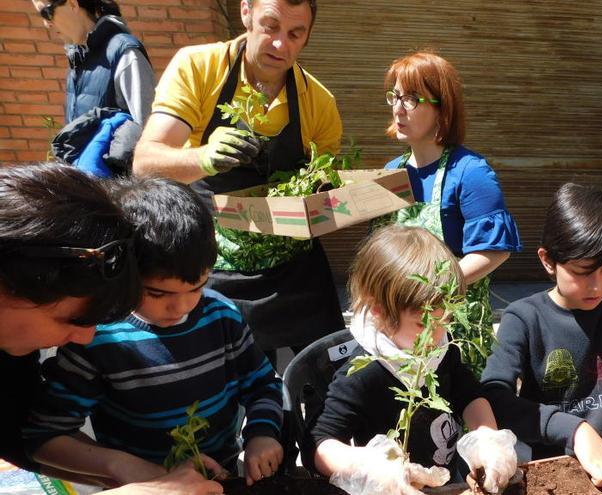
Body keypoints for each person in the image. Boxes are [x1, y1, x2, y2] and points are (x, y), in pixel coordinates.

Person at [24, 176, 283, 488]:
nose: (181, 307)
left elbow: (262, 385)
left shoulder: (222, 315)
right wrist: (131, 469)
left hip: (221, 475)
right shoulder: (95, 338)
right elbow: (46, 435)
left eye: (197, 287)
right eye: (159, 295)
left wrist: (262, 434)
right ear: (123, 274)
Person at [132, 0, 345, 364]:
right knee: (231, 383)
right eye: (270, 26)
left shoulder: (318, 102)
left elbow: (325, 182)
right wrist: (203, 157)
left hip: (296, 272)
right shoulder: (200, 68)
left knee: (331, 371)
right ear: (246, 12)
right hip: (218, 265)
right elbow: (145, 163)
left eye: (295, 34)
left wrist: (328, 198)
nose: (281, 45)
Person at [0, 162, 223, 494]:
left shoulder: (14, 356)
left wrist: (119, 466)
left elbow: (15, 434)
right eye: (72, 318)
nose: (87, 336)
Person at [481, 183, 602, 491]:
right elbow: (494, 396)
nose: (595, 286)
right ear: (547, 261)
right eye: (582, 272)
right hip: (557, 471)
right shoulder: (524, 318)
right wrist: (574, 431)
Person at [309, 225, 517, 495]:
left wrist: (487, 437)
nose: (438, 332)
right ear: (379, 310)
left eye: (446, 319)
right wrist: (369, 466)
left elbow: (469, 394)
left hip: (444, 481)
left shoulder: (440, 348)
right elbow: (320, 443)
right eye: (423, 323)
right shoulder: (363, 372)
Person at [382, 51, 521, 375]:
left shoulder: (470, 172)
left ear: (442, 108)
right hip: (401, 325)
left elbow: (493, 250)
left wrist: (435, 286)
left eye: (412, 99)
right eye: (395, 96)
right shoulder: (391, 172)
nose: (398, 108)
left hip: (455, 327)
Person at [32, 0, 154, 126]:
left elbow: (149, 131)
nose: (47, 24)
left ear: (73, 4)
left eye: (46, 13)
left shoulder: (124, 53)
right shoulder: (77, 59)